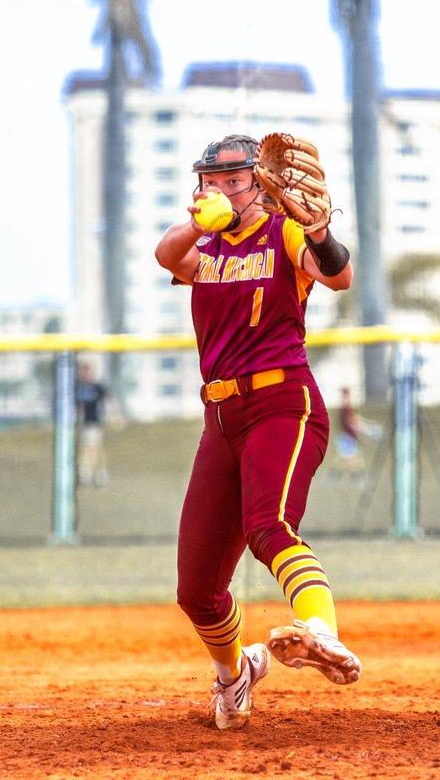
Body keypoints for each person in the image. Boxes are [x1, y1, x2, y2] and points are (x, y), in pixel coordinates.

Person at [154, 134, 361, 731]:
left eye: (232, 180)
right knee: (195, 590)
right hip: (219, 420)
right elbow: (168, 256)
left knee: (267, 526)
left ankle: (322, 633)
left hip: (282, 402)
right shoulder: (206, 244)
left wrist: (317, 231)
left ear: (260, 184)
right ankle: (233, 675)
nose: (217, 189)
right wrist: (199, 224)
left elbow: (338, 277)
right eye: (209, 180)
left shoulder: (282, 232)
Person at [75, 362, 109, 487]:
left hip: (95, 422)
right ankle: (88, 474)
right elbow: (78, 405)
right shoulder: (80, 387)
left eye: (86, 371)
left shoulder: (97, 387)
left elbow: (106, 400)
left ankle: (95, 474)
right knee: (87, 448)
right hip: (84, 423)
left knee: (93, 447)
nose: (84, 374)